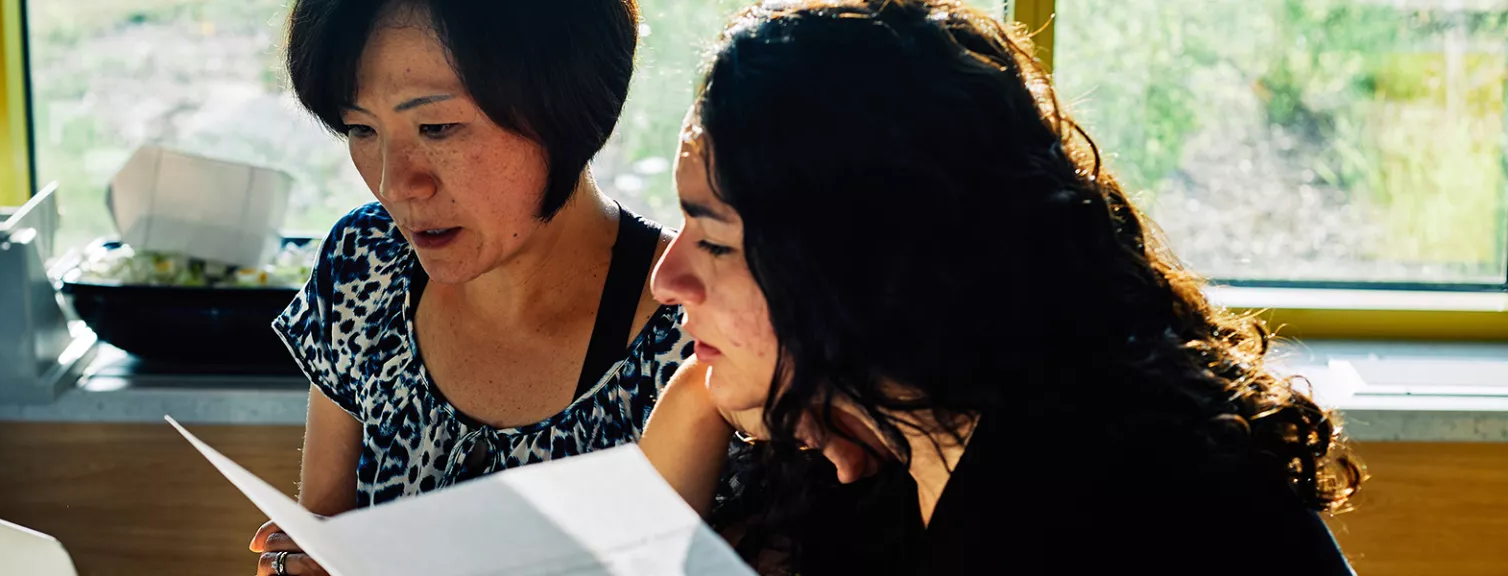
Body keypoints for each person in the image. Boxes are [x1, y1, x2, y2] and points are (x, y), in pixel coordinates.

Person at [637, 1, 1366, 574]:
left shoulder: (1104, 514)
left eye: (717, 242)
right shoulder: (904, 445)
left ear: (865, 267)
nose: (666, 280)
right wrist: (730, 385)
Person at [249, 0, 690, 574]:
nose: (396, 184)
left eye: (438, 127)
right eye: (361, 128)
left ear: (570, 106)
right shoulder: (367, 261)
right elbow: (326, 524)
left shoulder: (695, 329)